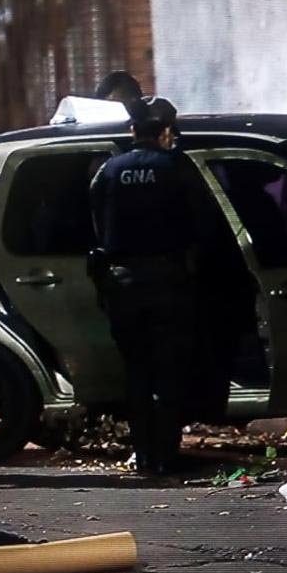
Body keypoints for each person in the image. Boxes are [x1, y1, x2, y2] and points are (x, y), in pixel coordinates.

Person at [88, 96, 204, 475]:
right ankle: (166, 454)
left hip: (123, 282)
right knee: (169, 370)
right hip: (168, 280)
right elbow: (200, 224)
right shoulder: (176, 167)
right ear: (165, 131)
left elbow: (96, 221)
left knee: (136, 369)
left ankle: (144, 453)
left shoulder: (109, 170)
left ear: (132, 130)